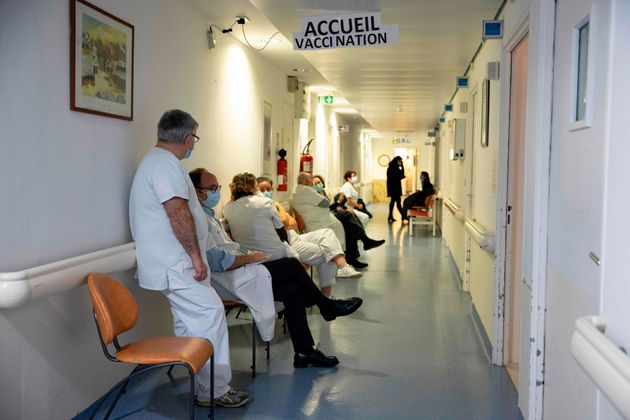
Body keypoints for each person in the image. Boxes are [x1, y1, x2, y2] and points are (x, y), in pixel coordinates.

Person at [129, 109, 249, 408]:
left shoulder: (160, 163)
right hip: (177, 263)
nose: (193, 144)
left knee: (189, 325)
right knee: (210, 315)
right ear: (186, 138)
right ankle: (214, 391)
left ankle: (200, 384)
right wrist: (196, 257)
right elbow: (177, 213)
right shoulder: (164, 165)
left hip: (173, 262)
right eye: (194, 138)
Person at [223, 172, 364, 367]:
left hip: (256, 267)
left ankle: (305, 352)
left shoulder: (228, 209)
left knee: (294, 292)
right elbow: (281, 231)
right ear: (254, 187)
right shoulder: (264, 204)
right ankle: (326, 305)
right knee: (292, 264)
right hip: (264, 270)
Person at [189, 168, 276, 342]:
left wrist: (248, 257)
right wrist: (249, 258)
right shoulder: (197, 218)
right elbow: (213, 259)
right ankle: (324, 307)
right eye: (212, 189)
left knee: (293, 286)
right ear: (197, 192)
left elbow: (227, 247)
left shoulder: (210, 216)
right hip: (225, 278)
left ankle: (304, 349)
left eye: (218, 187)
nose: (217, 193)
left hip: (238, 269)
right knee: (291, 270)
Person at [257, 176, 360, 297]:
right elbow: (285, 222)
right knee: (328, 252)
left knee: (327, 233)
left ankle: (343, 267)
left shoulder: (271, 203)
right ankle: (326, 299)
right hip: (287, 243)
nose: (266, 193)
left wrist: (284, 216)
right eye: (262, 190)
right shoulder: (263, 207)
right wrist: (279, 206)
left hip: (294, 236)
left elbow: (294, 224)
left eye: (269, 189)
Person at [294, 173, 385, 269]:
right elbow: (326, 204)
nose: (313, 183)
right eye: (312, 180)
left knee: (349, 219)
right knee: (347, 218)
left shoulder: (300, 193)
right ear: (308, 181)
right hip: (322, 221)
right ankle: (363, 243)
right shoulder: (307, 191)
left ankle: (359, 249)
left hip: (323, 218)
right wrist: (337, 203)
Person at [386, 156, 406, 223]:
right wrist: (402, 166)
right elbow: (402, 175)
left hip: (392, 187)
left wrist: (401, 166)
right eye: (400, 161)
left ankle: (391, 216)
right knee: (398, 202)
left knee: (394, 202)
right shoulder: (394, 167)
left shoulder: (391, 166)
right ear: (397, 160)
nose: (401, 162)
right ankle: (403, 216)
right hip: (395, 188)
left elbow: (400, 176)